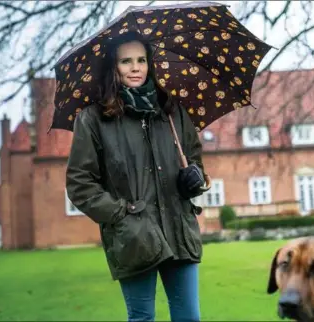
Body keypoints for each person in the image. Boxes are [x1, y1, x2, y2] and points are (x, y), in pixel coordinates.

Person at [66, 30, 210, 322]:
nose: (135, 68)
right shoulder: (94, 119)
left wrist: (194, 177)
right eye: (126, 61)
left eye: (141, 60)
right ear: (113, 67)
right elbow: (80, 184)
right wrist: (121, 214)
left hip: (178, 228)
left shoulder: (171, 111)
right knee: (142, 317)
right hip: (133, 237)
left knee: (189, 318)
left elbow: (194, 160)